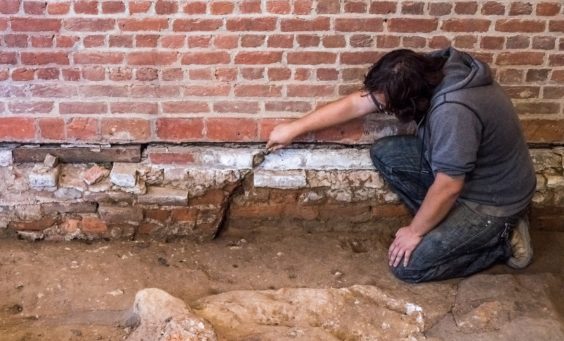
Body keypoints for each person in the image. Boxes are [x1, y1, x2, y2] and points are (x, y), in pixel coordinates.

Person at [266, 47, 536, 283]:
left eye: (387, 108)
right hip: (467, 175)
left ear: (411, 102)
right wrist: (293, 128)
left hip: (491, 200)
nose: (382, 110)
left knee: (409, 266)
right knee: (387, 153)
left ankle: (500, 240)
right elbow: (357, 104)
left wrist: (414, 231)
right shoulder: (427, 69)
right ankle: (447, 225)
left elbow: (449, 185)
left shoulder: (453, 111)